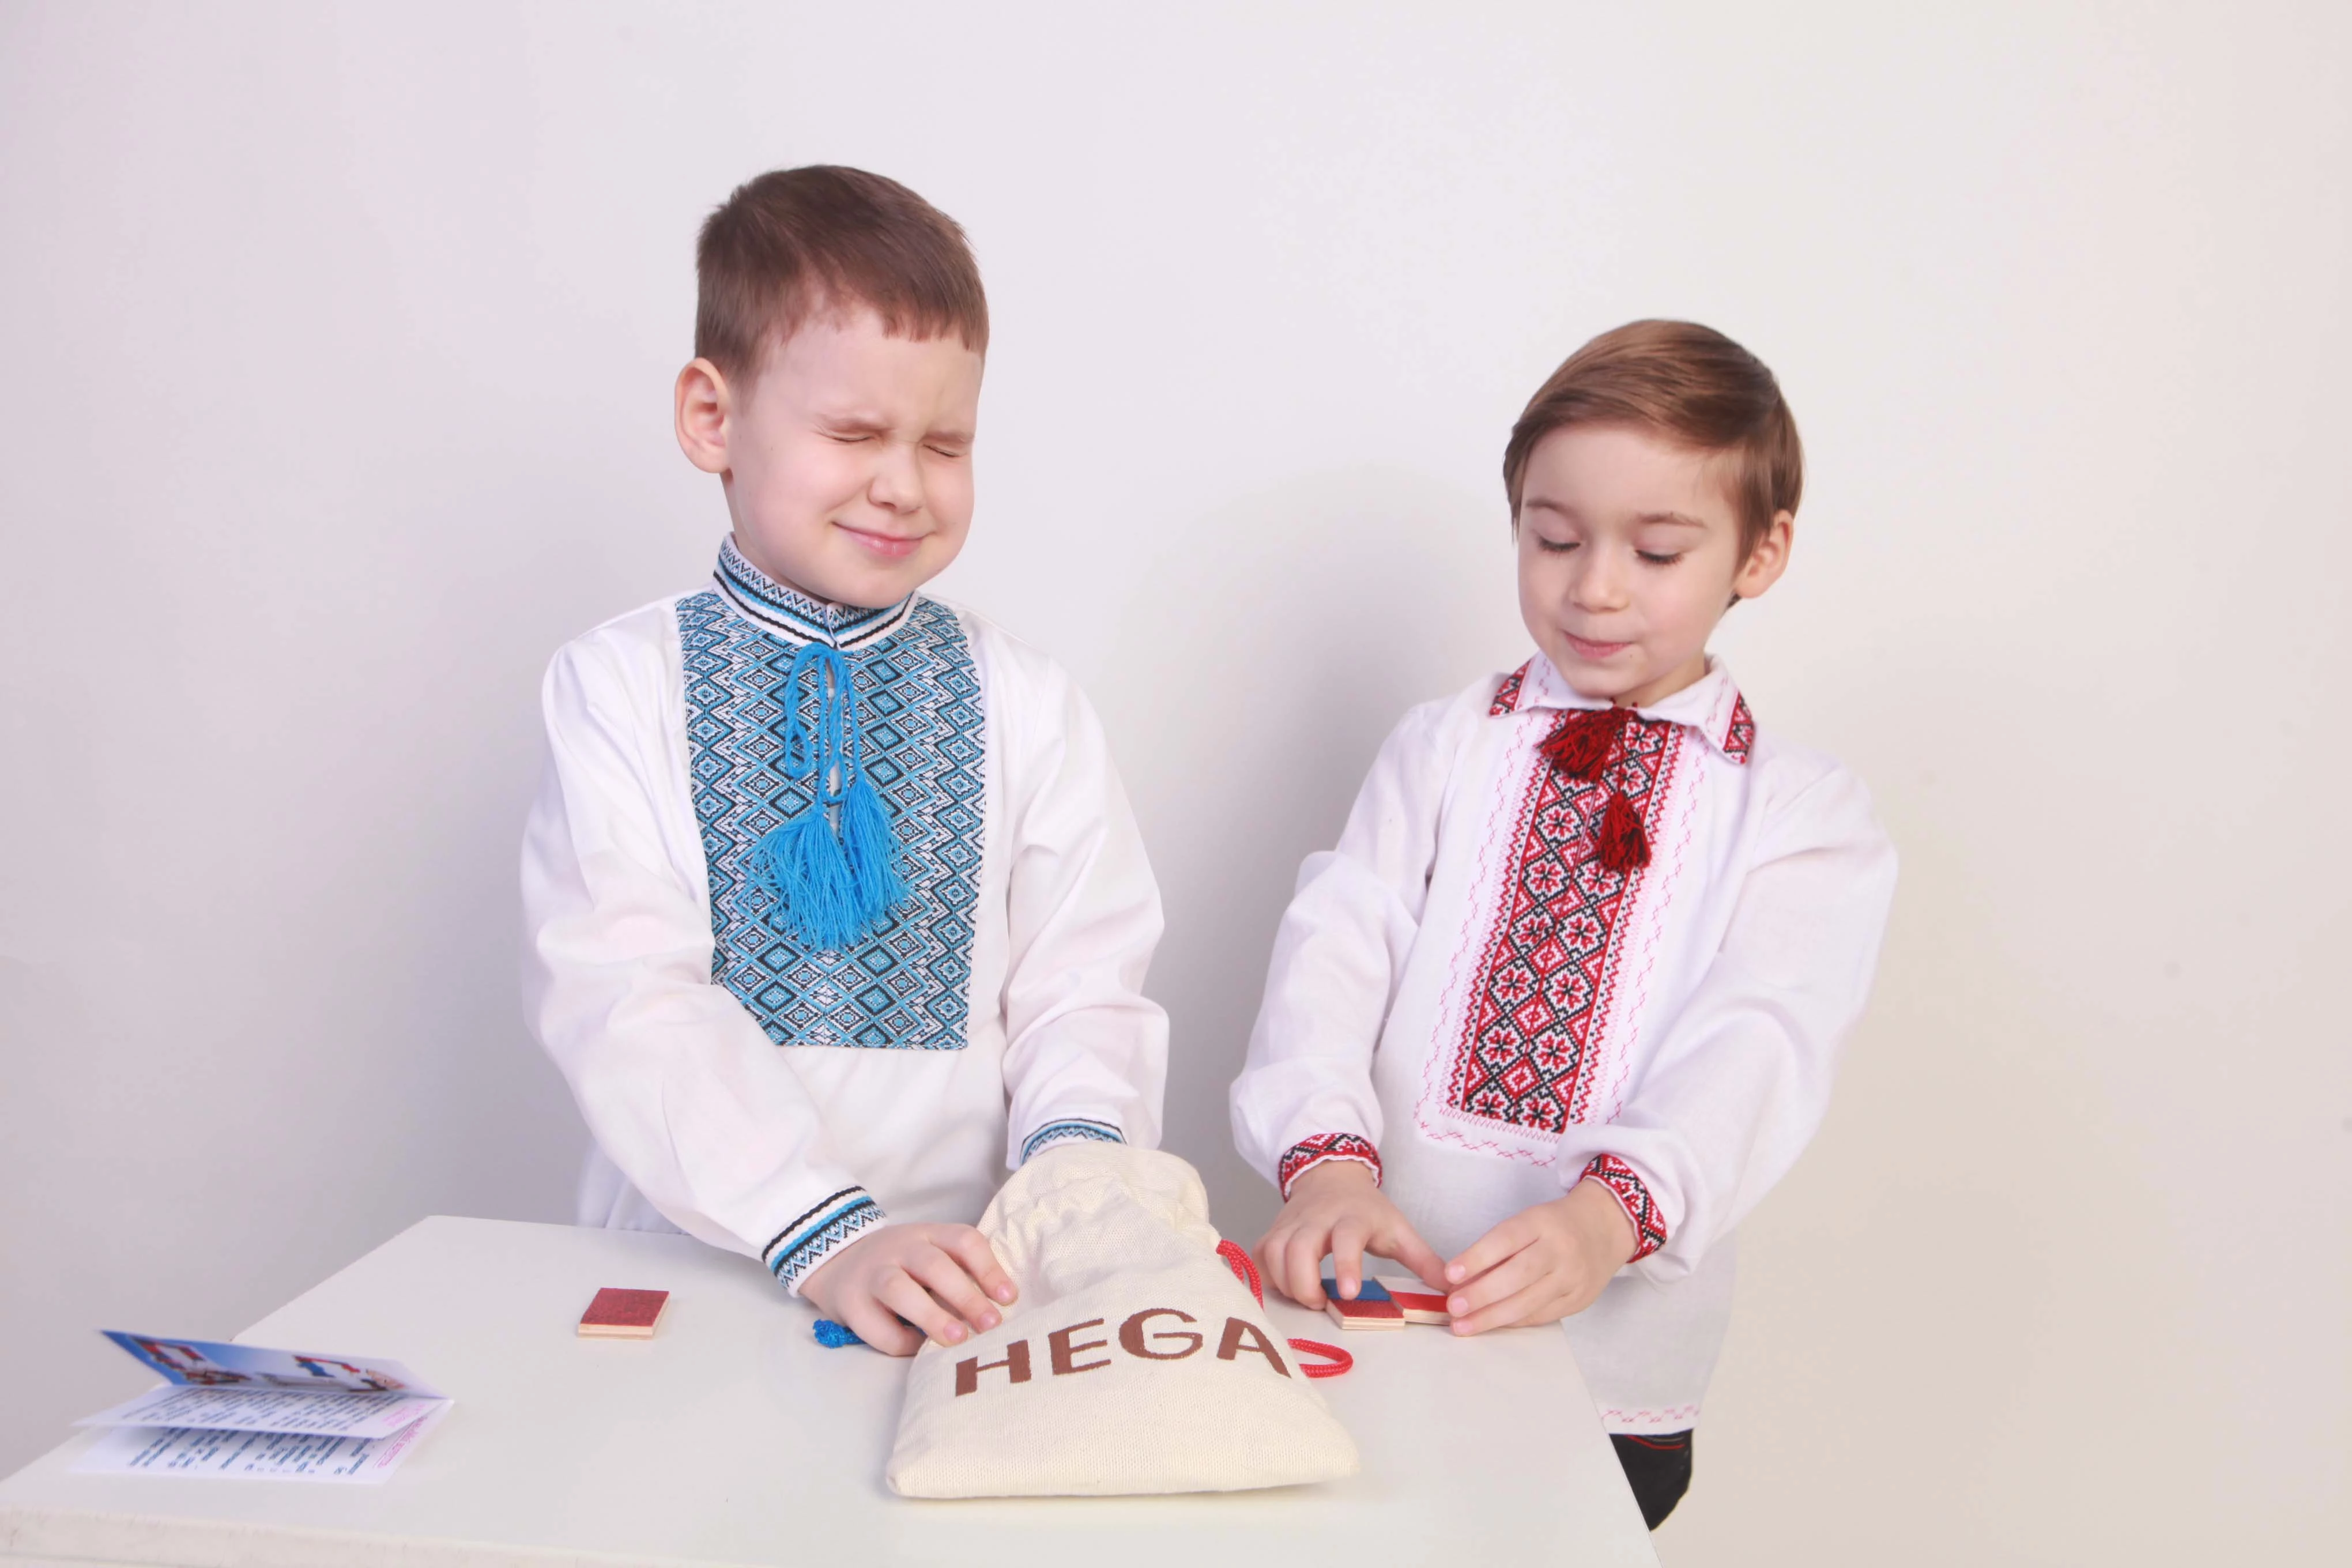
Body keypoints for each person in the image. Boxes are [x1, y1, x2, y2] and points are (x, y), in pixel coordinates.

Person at [1230, 320, 1897, 1528]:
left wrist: (1606, 1218)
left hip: (1609, 1375)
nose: (1594, 586)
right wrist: (1322, 1165)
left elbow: (1761, 1044)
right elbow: (1336, 947)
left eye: (1657, 550)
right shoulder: (1444, 747)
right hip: (1365, 1306)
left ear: (1761, 551)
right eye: (1554, 538)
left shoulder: (1802, 814)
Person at [523, 167, 1167, 1358]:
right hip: (696, 1277)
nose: (904, 484)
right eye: (855, 434)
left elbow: (1084, 988)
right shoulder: (621, 684)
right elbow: (628, 997)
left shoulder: (1026, 700)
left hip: (970, 1294)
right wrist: (825, 1233)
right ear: (712, 417)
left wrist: (1069, 1196)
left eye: (945, 443)